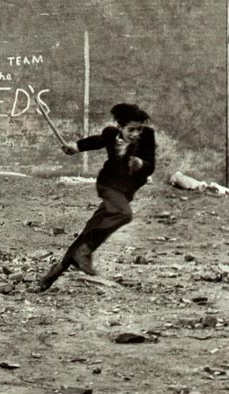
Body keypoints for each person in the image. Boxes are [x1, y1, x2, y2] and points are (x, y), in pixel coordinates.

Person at [36, 103, 156, 292]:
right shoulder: (110, 134)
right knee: (125, 215)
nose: (135, 134)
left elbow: (151, 165)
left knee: (90, 229)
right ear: (120, 127)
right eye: (131, 130)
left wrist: (141, 164)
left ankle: (54, 273)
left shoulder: (147, 137)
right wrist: (75, 147)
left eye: (139, 129)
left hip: (126, 192)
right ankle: (85, 251)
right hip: (108, 185)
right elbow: (96, 141)